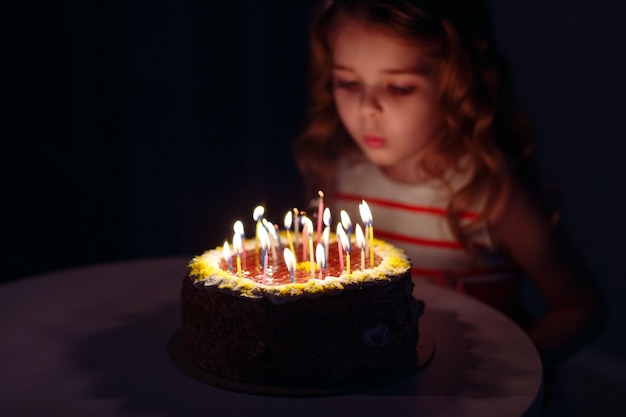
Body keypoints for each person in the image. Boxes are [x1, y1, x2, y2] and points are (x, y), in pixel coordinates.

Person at [292, 0, 607, 407]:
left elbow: (581, 308)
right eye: (348, 83)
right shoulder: (336, 181)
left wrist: (508, 369)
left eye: (399, 87)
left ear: (460, 83)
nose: (367, 109)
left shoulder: (493, 195)